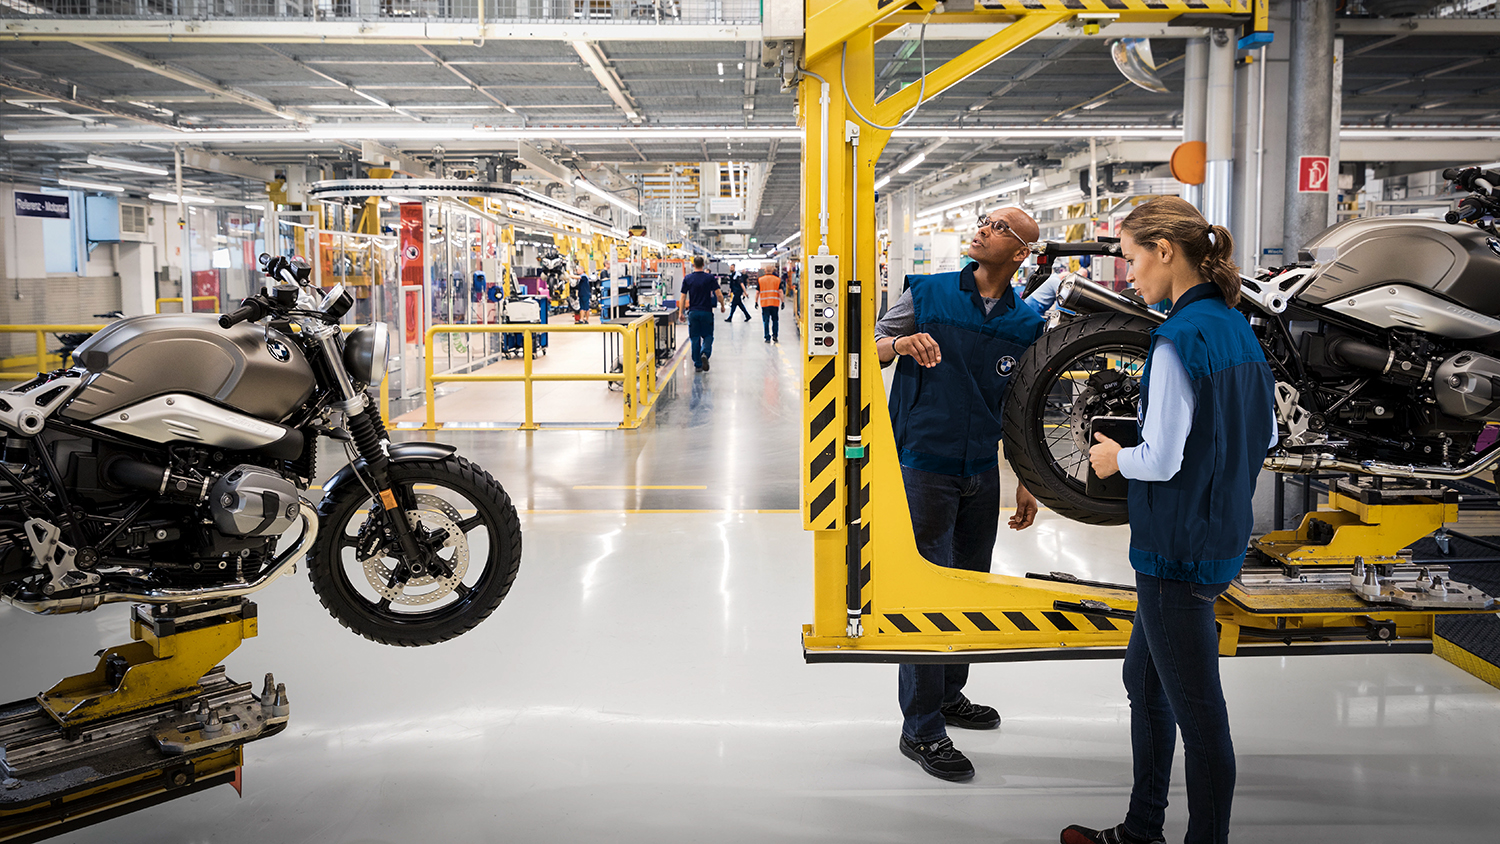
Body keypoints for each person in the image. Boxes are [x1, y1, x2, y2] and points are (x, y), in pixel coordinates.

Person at [1071, 197, 1276, 844]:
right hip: (1215, 536)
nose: (1128, 276)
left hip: (1175, 547)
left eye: (1131, 259)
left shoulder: (1174, 339)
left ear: (1165, 251)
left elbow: (1158, 461)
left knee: (1200, 716)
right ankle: (1141, 828)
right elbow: (1266, 432)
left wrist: (1112, 455)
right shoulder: (1236, 327)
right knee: (1144, 678)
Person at [873, 206, 1047, 782]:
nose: (982, 229)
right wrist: (900, 346)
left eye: (996, 227)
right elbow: (866, 346)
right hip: (923, 463)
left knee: (970, 584)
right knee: (925, 593)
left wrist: (1028, 475)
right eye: (982, 221)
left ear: (1020, 253)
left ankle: (949, 694)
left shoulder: (1027, 324)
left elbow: (1027, 405)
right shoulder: (925, 294)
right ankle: (921, 728)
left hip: (981, 471)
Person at [679, 256, 724, 372]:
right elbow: (719, 294)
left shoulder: (688, 278)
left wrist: (681, 312)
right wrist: (722, 305)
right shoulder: (710, 278)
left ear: (693, 265)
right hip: (706, 312)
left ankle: (698, 364)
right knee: (708, 336)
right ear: (703, 265)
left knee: (694, 338)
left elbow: (683, 297)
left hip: (693, 312)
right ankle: (705, 352)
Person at [757, 265, 785, 343]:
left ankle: (767, 337)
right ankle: (775, 335)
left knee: (766, 321)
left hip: (765, 304)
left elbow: (757, 292)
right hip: (775, 304)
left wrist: (756, 302)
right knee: (775, 320)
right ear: (772, 271)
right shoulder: (778, 280)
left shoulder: (760, 280)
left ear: (765, 271)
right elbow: (780, 291)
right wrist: (782, 302)